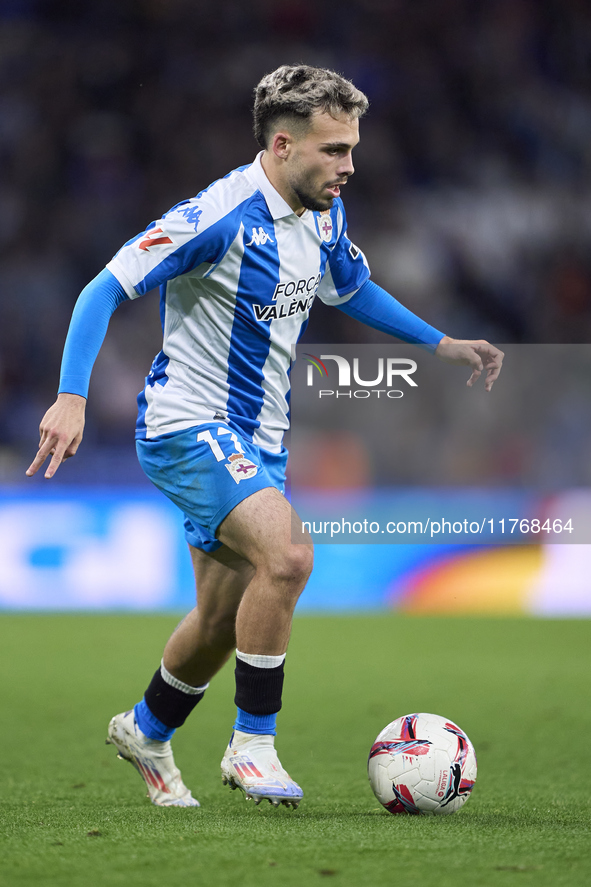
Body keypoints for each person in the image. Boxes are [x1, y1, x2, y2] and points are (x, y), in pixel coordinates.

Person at [27, 65, 503, 810]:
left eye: (351, 148)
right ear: (282, 145)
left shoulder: (322, 213)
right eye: (333, 150)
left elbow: (350, 288)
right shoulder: (215, 216)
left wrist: (437, 341)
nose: (349, 166)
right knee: (288, 555)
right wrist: (70, 396)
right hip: (188, 423)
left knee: (220, 619)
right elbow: (104, 286)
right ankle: (252, 744)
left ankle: (146, 729)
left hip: (259, 438)